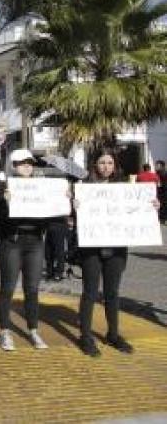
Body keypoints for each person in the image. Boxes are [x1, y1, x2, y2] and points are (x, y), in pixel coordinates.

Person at [76, 150, 154, 357]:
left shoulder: (124, 188)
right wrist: (74, 207)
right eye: (102, 163)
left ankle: (113, 334)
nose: (106, 167)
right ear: (95, 165)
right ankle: (85, 336)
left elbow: (137, 211)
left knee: (112, 293)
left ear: (115, 165)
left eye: (110, 163)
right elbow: (73, 218)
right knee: (90, 293)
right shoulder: (85, 188)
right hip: (91, 247)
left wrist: (151, 206)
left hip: (117, 247)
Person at [0, 149, 50, 351]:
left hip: (35, 241)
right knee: (8, 287)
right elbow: (0, 221)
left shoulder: (42, 188)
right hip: (13, 241)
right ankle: (4, 331)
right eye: (21, 162)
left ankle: (33, 330)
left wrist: (63, 200)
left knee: (32, 289)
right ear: (14, 166)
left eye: (30, 162)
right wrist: (5, 204)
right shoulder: (5, 187)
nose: (27, 165)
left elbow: (52, 215)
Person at [45, 216, 73, 281]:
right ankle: (50, 272)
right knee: (48, 251)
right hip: (50, 225)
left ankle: (59, 272)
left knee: (59, 251)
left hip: (60, 224)